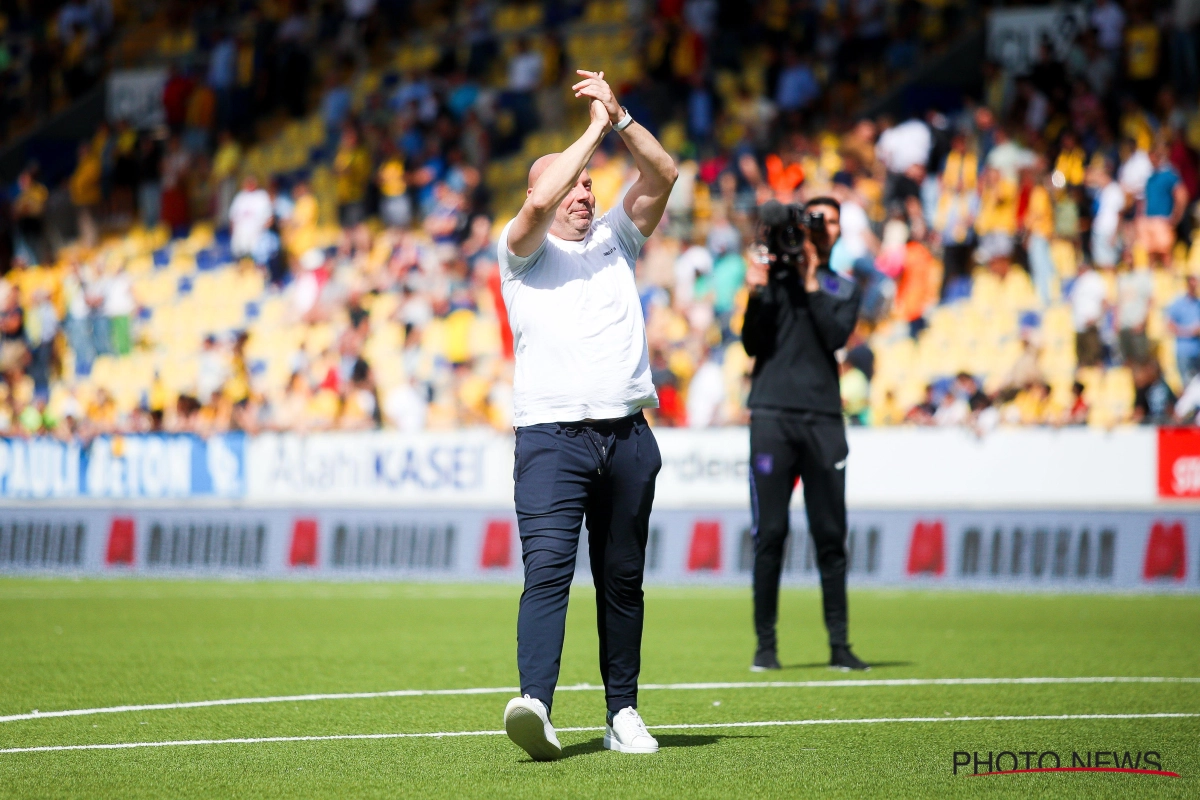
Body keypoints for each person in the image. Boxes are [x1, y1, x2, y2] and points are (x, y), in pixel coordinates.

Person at [497, 70, 677, 761]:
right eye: (573, 186)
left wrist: (622, 116)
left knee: (622, 581)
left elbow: (665, 174)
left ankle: (622, 712)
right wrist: (593, 129)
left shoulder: (615, 240)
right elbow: (540, 194)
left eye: (588, 187)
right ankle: (536, 704)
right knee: (547, 572)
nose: (582, 194)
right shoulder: (522, 250)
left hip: (628, 436)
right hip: (551, 439)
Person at [741, 196, 869, 673]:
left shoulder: (841, 286)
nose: (821, 228)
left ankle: (839, 645)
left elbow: (834, 337)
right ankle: (765, 647)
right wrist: (758, 291)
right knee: (770, 532)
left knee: (830, 533)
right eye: (814, 220)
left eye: (830, 221)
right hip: (772, 416)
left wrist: (811, 278)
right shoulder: (771, 278)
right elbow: (753, 342)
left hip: (821, 419)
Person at [1168, 276, 1200, 386]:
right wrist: (1188, 332)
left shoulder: (1198, 303)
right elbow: (1169, 325)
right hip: (1184, 351)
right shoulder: (1179, 303)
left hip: (1197, 350)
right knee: (1187, 385)